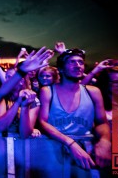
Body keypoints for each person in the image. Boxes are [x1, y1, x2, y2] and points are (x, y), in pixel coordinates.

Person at [38, 48, 111, 177]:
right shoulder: (48, 91)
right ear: (60, 69)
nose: (78, 65)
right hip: (54, 153)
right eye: (72, 62)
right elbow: (42, 122)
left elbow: (101, 123)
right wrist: (71, 143)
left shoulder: (93, 92)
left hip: (85, 156)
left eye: (80, 62)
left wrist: (105, 140)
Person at [0, 67, 41, 138]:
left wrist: (25, 106)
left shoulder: (33, 100)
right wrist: (17, 102)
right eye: (6, 77)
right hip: (2, 141)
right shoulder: (2, 97)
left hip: (21, 144)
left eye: (10, 78)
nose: (6, 80)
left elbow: (24, 134)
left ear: (21, 81)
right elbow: (0, 127)